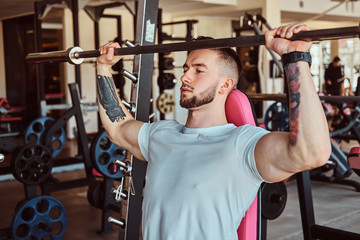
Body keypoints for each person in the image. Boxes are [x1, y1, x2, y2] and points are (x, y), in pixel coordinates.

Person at [96, 24, 331, 240]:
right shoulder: (160, 135)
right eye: (187, 68)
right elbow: (118, 127)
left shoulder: (243, 145)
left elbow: (313, 153)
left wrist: (295, 58)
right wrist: (103, 67)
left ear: (226, 84)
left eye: (199, 71)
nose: (184, 77)